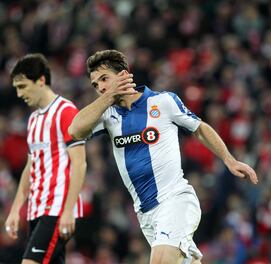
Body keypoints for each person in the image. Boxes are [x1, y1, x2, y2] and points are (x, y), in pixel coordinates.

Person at [68, 50, 258, 264]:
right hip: (146, 214)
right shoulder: (107, 115)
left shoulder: (163, 102)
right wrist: (108, 97)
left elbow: (199, 128)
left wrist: (229, 160)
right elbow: (74, 129)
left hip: (175, 200)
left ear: (123, 74)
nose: (100, 87)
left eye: (104, 79)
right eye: (95, 85)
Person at [5, 53, 87, 264]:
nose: (18, 93)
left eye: (22, 86)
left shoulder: (66, 112)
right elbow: (30, 166)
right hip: (36, 209)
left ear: (41, 80)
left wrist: (68, 210)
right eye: (16, 87)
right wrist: (16, 209)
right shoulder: (33, 119)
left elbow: (79, 163)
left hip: (57, 208)